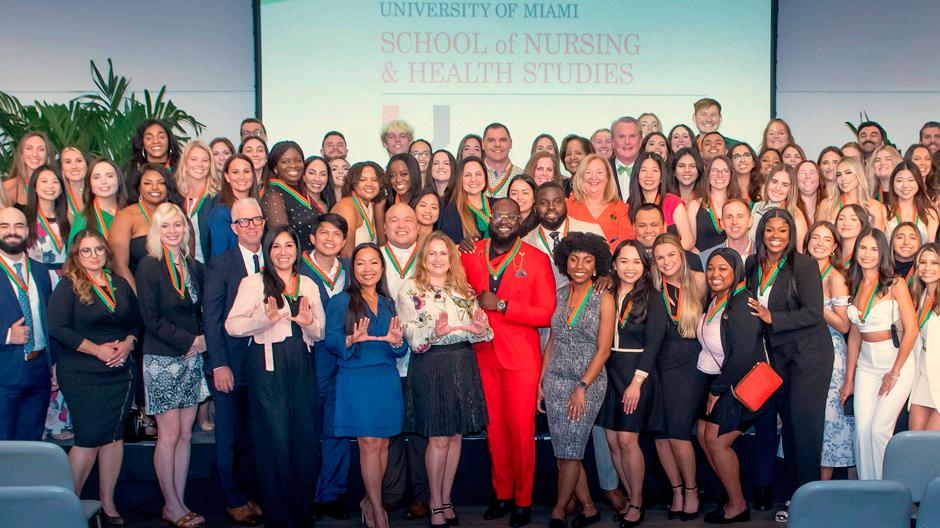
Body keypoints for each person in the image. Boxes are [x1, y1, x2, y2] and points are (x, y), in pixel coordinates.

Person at [461, 199, 556, 527]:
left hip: (521, 359)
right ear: (489, 217)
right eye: (498, 214)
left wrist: (503, 305)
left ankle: (523, 500)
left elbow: (547, 314)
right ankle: (502, 494)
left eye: (511, 216)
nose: (504, 220)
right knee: (495, 431)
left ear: (520, 219)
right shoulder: (470, 253)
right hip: (482, 356)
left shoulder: (537, 259)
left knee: (521, 431)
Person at [225, 226, 326, 528]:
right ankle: (279, 517)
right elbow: (232, 325)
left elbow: (320, 332)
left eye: (289, 246)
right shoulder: (254, 283)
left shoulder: (308, 283)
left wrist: (308, 323)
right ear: (268, 251)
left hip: (302, 366)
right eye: (276, 246)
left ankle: (301, 511)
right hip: (268, 369)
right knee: (275, 441)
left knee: (305, 441)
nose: (283, 252)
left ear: (297, 250)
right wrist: (263, 319)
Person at [397, 232, 492, 527]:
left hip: (462, 363)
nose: (438, 259)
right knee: (438, 437)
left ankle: (447, 498)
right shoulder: (410, 288)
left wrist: (479, 329)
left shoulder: (463, 288)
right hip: (431, 363)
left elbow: (479, 328)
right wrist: (434, 333)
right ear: (423, 258)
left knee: (455, 436)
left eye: (443, 253)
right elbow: (410, 333)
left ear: (452, 258)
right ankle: (434, 502)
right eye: (432, 253)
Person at [48, 229, 142, 526]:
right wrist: (97, 350)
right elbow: (57, 328)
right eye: (86, 250)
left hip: (120, 373)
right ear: (76, 255)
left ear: (106, 252)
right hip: (82, 373)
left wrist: (128, 343)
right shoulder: (68, 285)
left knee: (114, 438)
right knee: (89, 439)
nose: (93, 255)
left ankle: (108, 503)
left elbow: (136, 323)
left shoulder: (119, 283)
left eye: (98, 249)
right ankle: (66, 507)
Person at [745, 209, 833, 501]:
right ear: (761, 232)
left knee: (803, 428)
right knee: (790, 427)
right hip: (777, 356)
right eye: (770, 229)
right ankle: (796, 495)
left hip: (809, 355)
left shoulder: (804, 265)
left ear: (791, 234)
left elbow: (813, 313)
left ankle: (808, 500)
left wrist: (773, 317)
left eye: (782, 230)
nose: (775, 236)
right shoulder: (752, 265)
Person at [325, 243, 409, 528]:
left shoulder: (388, 303)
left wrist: (397, 342)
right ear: (353, 269)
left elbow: (400, 348)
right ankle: (378, 509)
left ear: (381, 268)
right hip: (357, 380)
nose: (367, 269)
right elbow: (331, 340)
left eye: (374, 262)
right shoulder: (341, 301)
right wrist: (351, 339)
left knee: (382, 444)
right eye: (361, 263)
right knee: (369, 444)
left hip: (386, 379)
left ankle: (369, 501)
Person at [135, 203, 209, 528]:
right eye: (165, 226)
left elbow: (201, 311)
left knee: (185, 435)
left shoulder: (193, 265)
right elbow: (149, 318)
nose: (173, 231)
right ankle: (172, 504)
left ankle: (179, 503)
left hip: (192, 360)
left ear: (186, 228)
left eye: (178, 225)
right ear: (156, 230)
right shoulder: (149, 266)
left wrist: (202, 340)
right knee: (168, 435)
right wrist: (189, 341)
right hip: (163, 359)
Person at [628, 233, 706, 521]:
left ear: (681, 255)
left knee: (678, 433)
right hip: (657, 366)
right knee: (661, 435)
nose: (666, 261)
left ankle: (692, 490)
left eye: (671, 255)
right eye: (659, 257)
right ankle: (676, 491)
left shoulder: (700, 281)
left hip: (690, 367)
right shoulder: (651, 288)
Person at [540, 232, 613, 528]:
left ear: (596, 265)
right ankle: (589, 508)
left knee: (570, 450)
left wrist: (582, 386)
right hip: (555, 381)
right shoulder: (560, 294)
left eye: (587, 260)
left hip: (587, 384)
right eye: (574, 259)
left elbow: (604, 350)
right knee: (564, 451)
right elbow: (553, 341)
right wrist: (541, 382)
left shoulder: (603, 297)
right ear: (565, 262)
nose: (580, 266)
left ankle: (559, 510)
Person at [203, 197, 266, 526]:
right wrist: (219, 364)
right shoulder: (221, 264)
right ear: (233, 227)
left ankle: (251, 494)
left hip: (266, 365)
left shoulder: (275, 258)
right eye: (244, 221)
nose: (251, 226)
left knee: (255, 436)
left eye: (256, 220)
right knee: (229, 435)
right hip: (231, 364)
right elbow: (212, 319)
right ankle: (233, 500)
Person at [840, 228, 917, 480]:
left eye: (874, 249)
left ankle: (886, 490)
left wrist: (894, 373)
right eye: (863, 247)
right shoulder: (854, 283)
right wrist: (849, 379)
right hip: (866, 367)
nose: (867, 254)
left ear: (882, 252)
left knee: (878, 430)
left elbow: (912, 330)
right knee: (862, 431)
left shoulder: (896, 284)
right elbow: (855, 335)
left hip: (896, 365)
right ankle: (867, 488)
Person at [697, 249, 767, 524]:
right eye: (711, 268)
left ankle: (738, 505)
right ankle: (730, 497)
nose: (715, 274)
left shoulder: (743, 304)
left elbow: (743, 356)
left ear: (736, 271)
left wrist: (717, 390)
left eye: (723, 269)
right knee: (703, 436)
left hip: (742, 385)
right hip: (723, 380)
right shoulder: (717, 298)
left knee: (717, 442)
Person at [596, 241, 654, 527]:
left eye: (636, 262)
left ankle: (638, 502)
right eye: (624, 261)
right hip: (608, 372)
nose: (630, 267)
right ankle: (631, 497)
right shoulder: (604, 292)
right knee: (612, 442)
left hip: (636, 373)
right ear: (614, 264)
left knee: (628, 440)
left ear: (644, 266)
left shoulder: (652, 297)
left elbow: (654, 345)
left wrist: (637, 382)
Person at [377, 203, 430, 520]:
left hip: (423, 358)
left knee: (422, 430)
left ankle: (422, 495)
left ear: (418, 226)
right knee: (391, 430)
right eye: (393, 220)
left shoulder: (430, 257)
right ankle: (391, 494)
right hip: (385, 358)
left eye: (408, 220)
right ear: (383, 227)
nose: (401, 225)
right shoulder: (373, 258)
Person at [299, 213, 352, 520]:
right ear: (312, 238)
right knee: (308, 430)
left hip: (343, 361)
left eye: (336, 234)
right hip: (308, 360)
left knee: (337, 429)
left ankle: (332, 494)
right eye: (324, 233)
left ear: (344, 241)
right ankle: (307, 492)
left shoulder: (350, 269)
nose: (330, 239)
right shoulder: (297, 269)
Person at [804, 221, 856, 481]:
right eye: (816, 237)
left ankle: (823, 489)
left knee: (829, 420)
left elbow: (844, 324)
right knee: (809, 419)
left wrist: (816, 304)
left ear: (835, 246)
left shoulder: (835, 278)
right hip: (805, 353)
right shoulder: (801, 272)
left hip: (831, 355)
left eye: (827, 239)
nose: (820, 243)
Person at [0, 207, 55, 440]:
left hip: (38, 372)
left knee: (31, 446)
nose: (12, 231)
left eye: (18, 226)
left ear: (27, 231)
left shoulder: (41, 271)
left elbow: (50, 321)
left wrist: (54, 364)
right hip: (4, 374)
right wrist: (7, 335)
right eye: (4, 226)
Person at [111, 164, 179, 289]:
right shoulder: (126, 217)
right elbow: (119, 265)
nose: (155, 187)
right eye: (147, 183)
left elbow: (188, 259)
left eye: (161, 183)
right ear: (139, 188)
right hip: (139, 291)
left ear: (168, 187)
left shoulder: (178, 215)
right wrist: (137, 295)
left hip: (177, 290)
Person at [523, 182, 604, 288]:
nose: (551, 207)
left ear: (565, 204)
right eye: (544, 203)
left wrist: (607, 275)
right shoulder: (525, 243)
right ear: (535, 208)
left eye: (557, 202)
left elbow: (609, 269)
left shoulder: (592, 230)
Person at [626, 151, 693, 250]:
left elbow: (688, 240)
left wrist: (665, 255)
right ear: (636, 175)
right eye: (643, 170)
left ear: (661, 177)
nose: (649, 175)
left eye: (654, 170)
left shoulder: (673, 202)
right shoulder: (630, 203)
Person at [566, 154, 633, 250]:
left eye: (599, 172)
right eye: (588, 172)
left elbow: (627, 243)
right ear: (581, 176)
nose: (594, 177)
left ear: (608, 177)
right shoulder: (568, 206)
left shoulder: (622, 209)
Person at [262, 141, 317, 252]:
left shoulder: (302, 192)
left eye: (298, 161)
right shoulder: (273, 195)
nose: (293, 165)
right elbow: (281, 240)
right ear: (275, 167)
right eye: (285, 161)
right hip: (294, 260)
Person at [909, 243, 940, 430]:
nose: (928, 268)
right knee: (915, 438)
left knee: (932, 441)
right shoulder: (918, 297)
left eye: (935, 263)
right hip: (922, 374)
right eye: (923, 262)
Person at [176, 140, 220, 263]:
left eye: (205, 160)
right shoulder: (175, 197)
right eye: (194, 159)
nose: (199, 164)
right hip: (181, 267)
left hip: (209, 266)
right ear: (185, 163)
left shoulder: (217, 198)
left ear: (210, 165)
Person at [208, 154, 259, 257]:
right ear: (227, 177)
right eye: (235, 172)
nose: (241, 177)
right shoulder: (221, 213)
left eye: (246, 171)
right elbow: (220, 256)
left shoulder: (258, 207)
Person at [67, 159, 129, 244]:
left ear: (119, 180)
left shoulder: (131, 212)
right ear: (90, 184)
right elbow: (74, 251)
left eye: (109, 176)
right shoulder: (83, 218)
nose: (103, 181)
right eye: (96, 177)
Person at [688, 155, 741, 252]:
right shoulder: (694, 206)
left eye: (725, 171)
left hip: (732, 259)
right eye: (715, 170)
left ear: (731, 175)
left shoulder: (739, 206)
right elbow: (690, 244)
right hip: (701, 259)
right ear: (708, 175)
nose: (720, 175)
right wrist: (703, 259)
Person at [749, 164, 809, 248]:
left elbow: (802, 251)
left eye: (784, 185)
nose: (777, 188)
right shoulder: (757, 205)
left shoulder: (794, 213)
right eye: (774, 182)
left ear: (791, 189)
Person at [633, 204, 704, 273]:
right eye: (642, 226)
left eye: (654, 225)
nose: (648, 231)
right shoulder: (629, 262)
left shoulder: (689, 260)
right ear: (634, 227)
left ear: (664, 226)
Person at [24, 165, 70, 270]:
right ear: (34, 187)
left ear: (61, 189)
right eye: (44, 181)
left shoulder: (68, 219)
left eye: (55, 182)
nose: (50, 186)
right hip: (37, 276)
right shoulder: (25, 219)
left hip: (65, 276)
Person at [823, 156, 886, 231]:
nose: (843, 178)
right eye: (839, 174)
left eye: (848, 173)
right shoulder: (827, 205)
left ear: (858, 174)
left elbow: (879, 237)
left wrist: (878, 218)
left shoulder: (876, 206)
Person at [332, 161, 382, 257]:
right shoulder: (346, 206)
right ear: (353, 183)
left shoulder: (370, 204)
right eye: (363, 180)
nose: (369, 184)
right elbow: (347, 254)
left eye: (374, 180)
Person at [438, 156, 492, 245]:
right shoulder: (449, 210)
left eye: (478, 174)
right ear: (460, 179)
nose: (473, 179)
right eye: (467, 175)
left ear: (485, 177)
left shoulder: (497, 205)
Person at [374, 154, 423, 246]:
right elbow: (382, 244)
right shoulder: (382, 205)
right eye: (392, 176)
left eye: (403, 174)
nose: (398, 180)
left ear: (414, 174)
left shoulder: (425, 202)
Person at [885, 161, 938, 243]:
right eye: (899, 181)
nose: (905, 185)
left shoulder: (929, 214)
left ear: (918, 183)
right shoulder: (884, 211)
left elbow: (931, 247)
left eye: (910, 180)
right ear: (892, 184)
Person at [128, 120, 181, 195]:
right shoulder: (133, 171)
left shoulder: (181, 170)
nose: (155, 141)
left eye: (161, 137)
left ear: (169, 141)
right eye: (149, 138)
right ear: (142, 143)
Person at [5, 132, 55, 206]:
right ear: (22, 154)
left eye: (41, 149)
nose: (35, 154)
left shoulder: (56, 187)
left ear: (47, 155)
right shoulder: (8, 187)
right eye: (29, 148)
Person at [699, 199, 753, 268]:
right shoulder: (705, 258)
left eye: (740, 217)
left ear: (750, 221)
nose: (734, 222)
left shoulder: (763, 254)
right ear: (722, 223)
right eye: (729, 217)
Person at [482, 123, 524, 198]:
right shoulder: (472, 176)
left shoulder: (522, 175)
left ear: (510, 143)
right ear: (482, 144)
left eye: (503, 140)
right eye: (491, 140)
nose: (497, 144)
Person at [609, 117, 642, 199]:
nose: (627, 142)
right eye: (621, 136)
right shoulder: (603, 170)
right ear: (612, 142)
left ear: (641, 140)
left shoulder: (653, 170)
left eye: (632, 136)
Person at [59, 146, 88, 220]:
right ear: (62, 167)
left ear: (87, 164)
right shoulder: (58, 197)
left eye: (79, 161)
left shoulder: (99, 193)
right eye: (68, 162)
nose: (74, 166)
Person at [730, 143, 763, 207]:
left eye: (747, 155)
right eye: (736, 157)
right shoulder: (726, 191)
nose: (742, 160)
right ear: (730, 163)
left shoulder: (763, 190)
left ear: (753, 162)